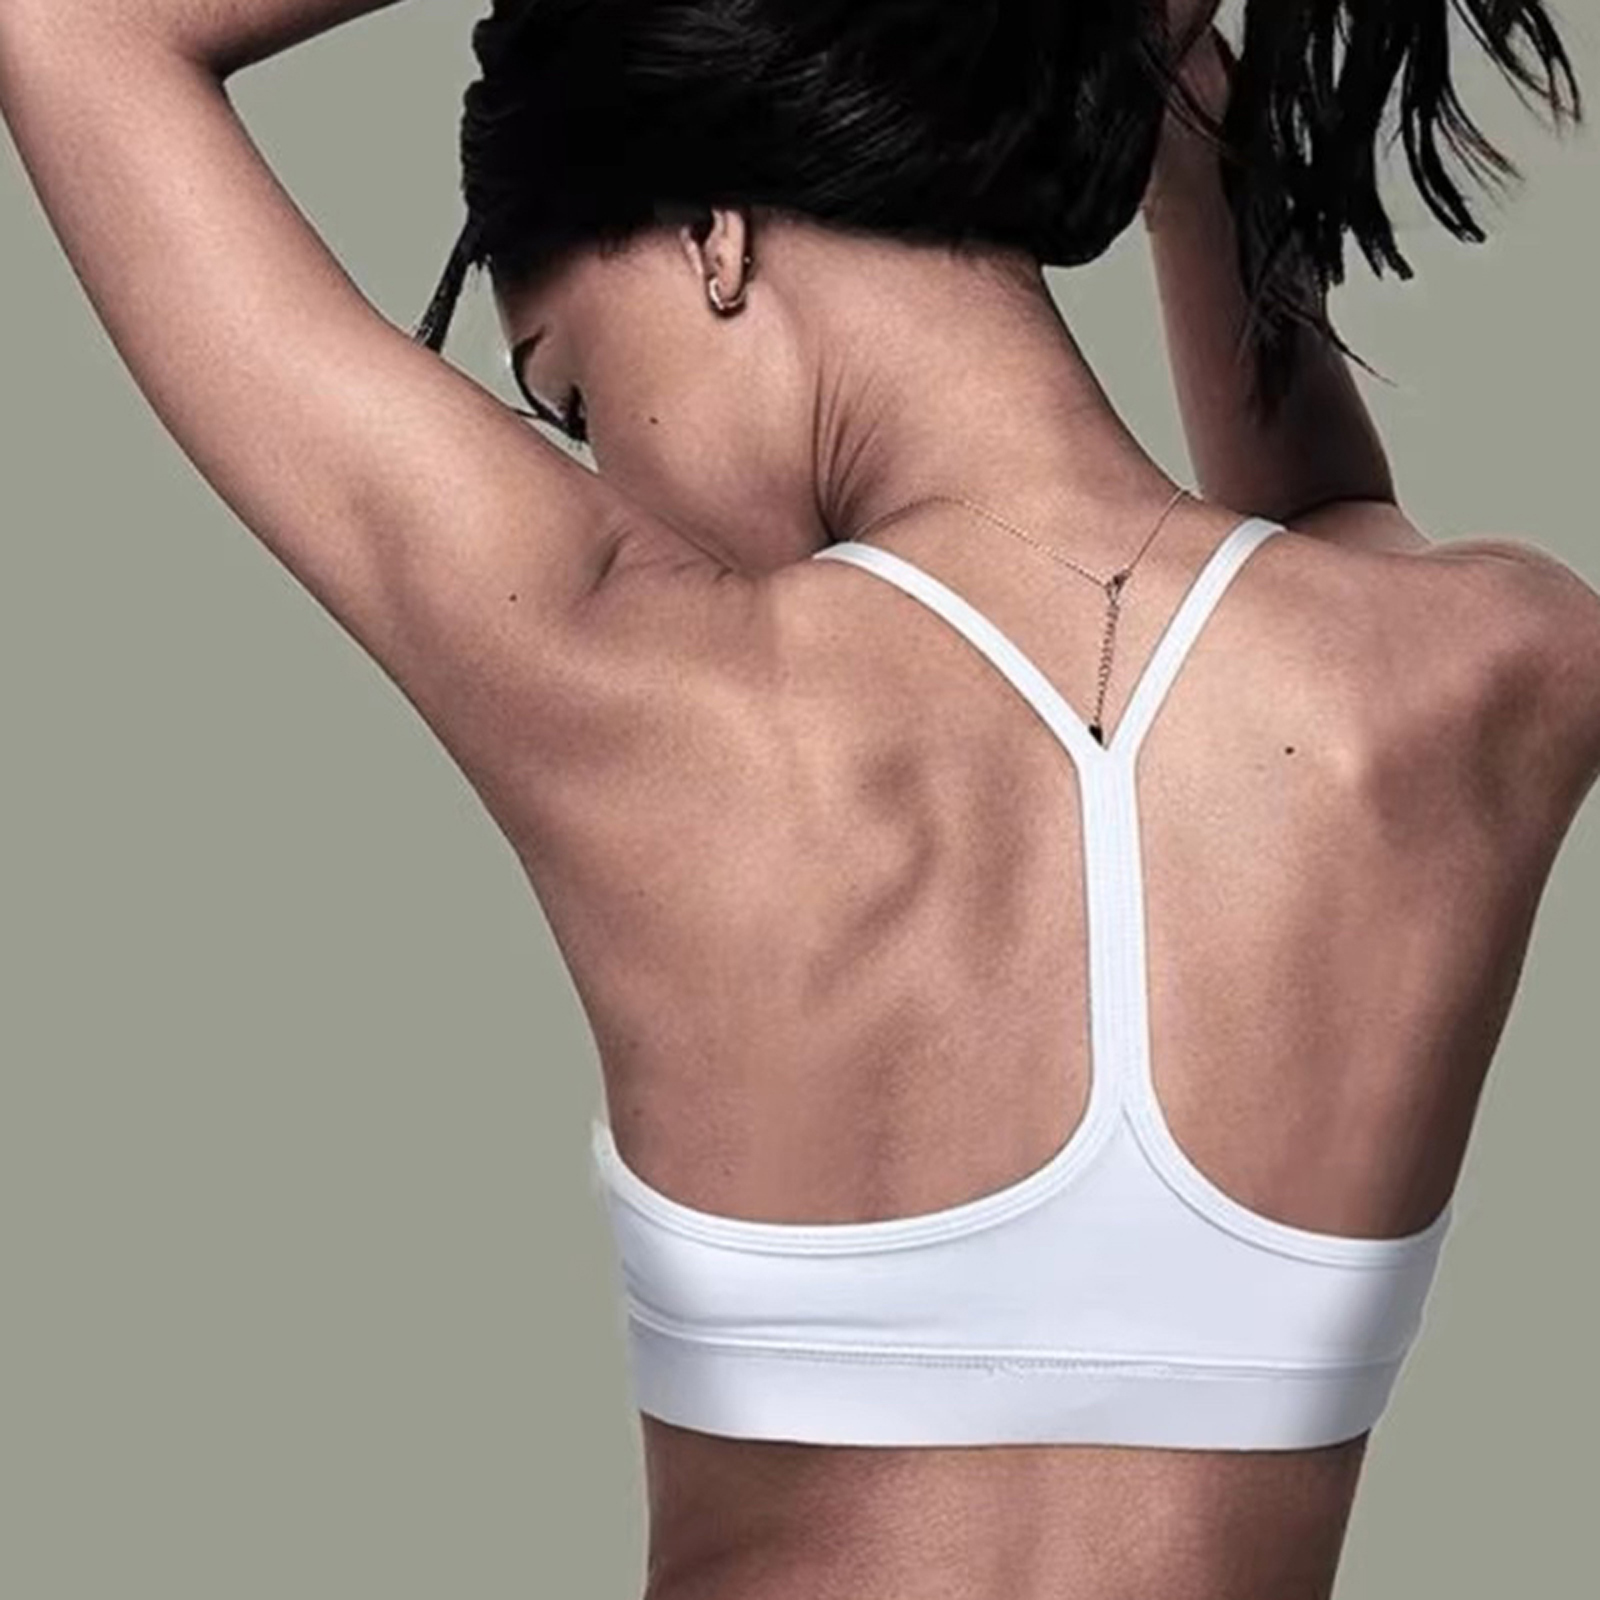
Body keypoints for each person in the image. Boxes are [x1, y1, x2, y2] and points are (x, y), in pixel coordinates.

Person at [3, 2, 1598, 1596]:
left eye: (571, 396)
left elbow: (74, 30)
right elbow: (1327, 516)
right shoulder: (1491, 675)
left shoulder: (639, 680)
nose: (603, 473)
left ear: (713, 237)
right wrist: (1188, 110)